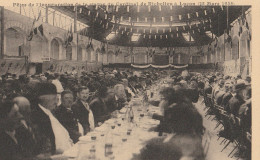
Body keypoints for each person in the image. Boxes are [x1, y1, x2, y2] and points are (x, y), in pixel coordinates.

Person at [31, 82, 73, 155]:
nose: (56, 102)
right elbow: (44, 146)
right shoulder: (38, 117)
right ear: (44, 99)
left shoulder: (49, 112)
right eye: (54, 99)